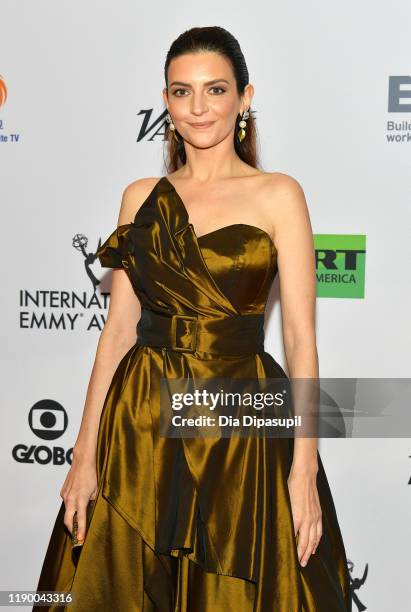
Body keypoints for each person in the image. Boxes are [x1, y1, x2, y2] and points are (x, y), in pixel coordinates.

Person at [33, 26, 352, 612]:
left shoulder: (279, 194)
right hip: (142, 417)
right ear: (166, 103)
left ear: (245, 98)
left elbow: (301, 340)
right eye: (182, 92)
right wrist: (84, 456)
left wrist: (304, 468)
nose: (199, 108)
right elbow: (117, 333)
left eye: (216, 90)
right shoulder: (140, 197)